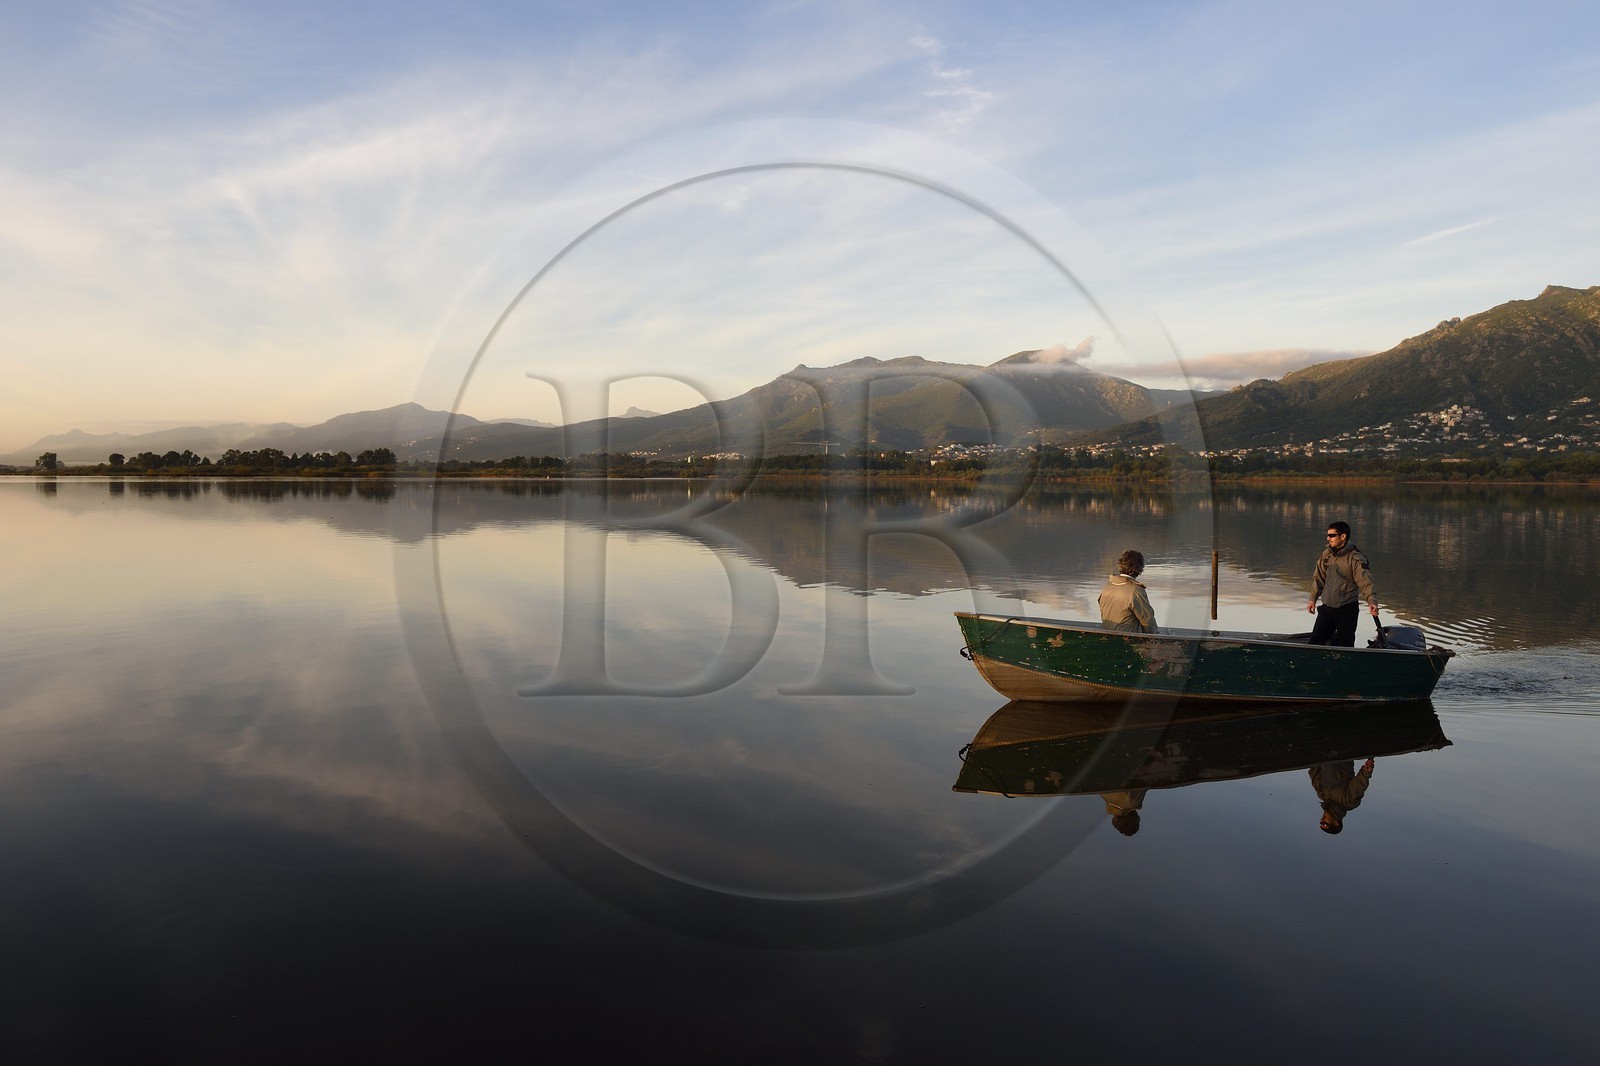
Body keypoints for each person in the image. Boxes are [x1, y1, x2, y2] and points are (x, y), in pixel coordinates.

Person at [1306, 521, 1377, 647]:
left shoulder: (1356, 558)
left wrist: (1372, 602)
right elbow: (1319, 578)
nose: (1328, 538)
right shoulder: (1326, 555)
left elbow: (1365, 582)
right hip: (1327, 609)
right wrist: (1312, 599)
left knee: (1346, 645)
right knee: (1314, 643)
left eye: (1332, 535)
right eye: (1328, 535)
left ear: (1343, 536)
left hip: (1346, 610)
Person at [1310, 758, 1375, 834]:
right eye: (1325, 823)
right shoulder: (1349, 802)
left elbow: (1314, 772)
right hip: (1341, 755)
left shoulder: (1322, 795)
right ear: (1336, 823)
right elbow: (1359, 785)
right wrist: (1366, 772)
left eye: (1321, 822)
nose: (1322, 820)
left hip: (1324, 752)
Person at [1099, 549, 1157, 633]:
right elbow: (1148, 621)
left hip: (1107, 636)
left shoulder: (1106, 587)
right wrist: (1156, 635)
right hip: (1128, 639)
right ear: (1139, 569)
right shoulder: (1136, 591)